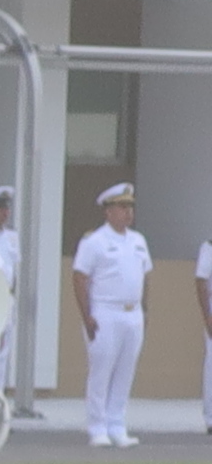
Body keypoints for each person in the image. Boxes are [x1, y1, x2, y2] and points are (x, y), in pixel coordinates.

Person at [78, 184, 152, 449]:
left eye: (130, 207)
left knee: (125, 372)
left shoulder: (138, 240)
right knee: (102, 371)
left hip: (132, 313)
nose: (128, 212)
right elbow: (80, 277)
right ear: (108, 211)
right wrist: (87, 315)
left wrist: (145, 309)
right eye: (122, 207)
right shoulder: (94, 241)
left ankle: (117, 425)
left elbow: (145, 276)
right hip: (105, 311)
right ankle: (97, 427)